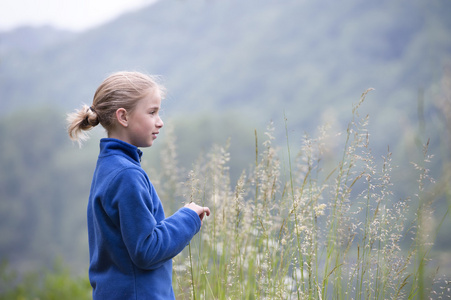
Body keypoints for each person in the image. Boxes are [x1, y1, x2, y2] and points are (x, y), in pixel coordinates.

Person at [66, 71, 210, 299]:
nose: (160, 122)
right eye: (152, 112)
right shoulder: (126, 175)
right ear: (123, 117)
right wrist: (188, 217)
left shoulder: (110, 166)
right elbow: (146, 249)